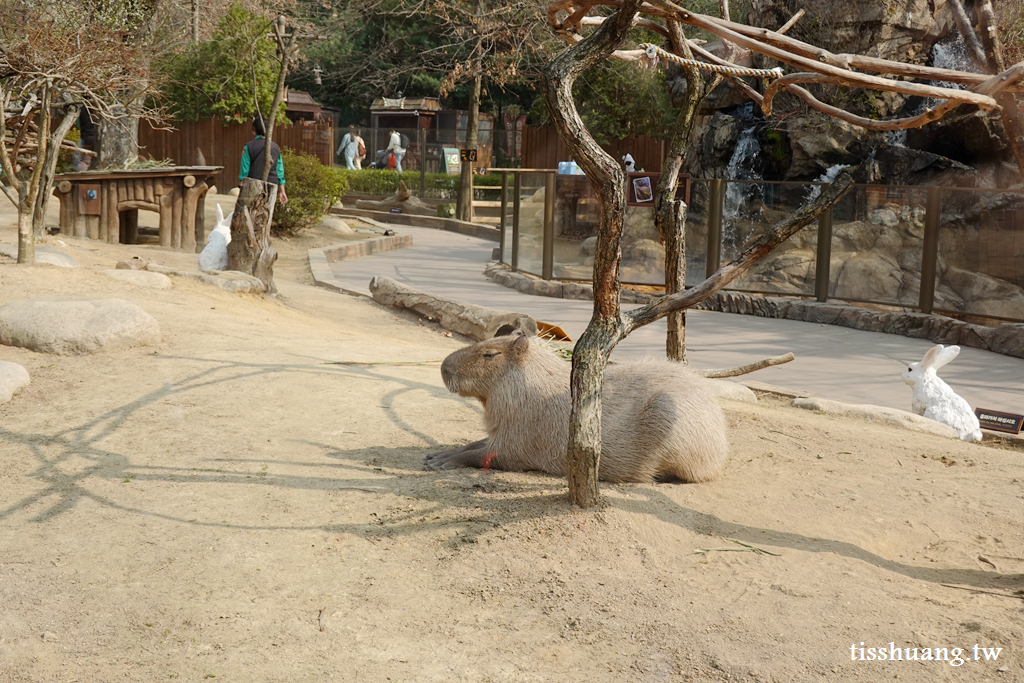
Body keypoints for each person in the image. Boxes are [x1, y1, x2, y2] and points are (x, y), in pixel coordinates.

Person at [239, 116, 287, 204]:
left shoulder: (248, 147)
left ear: (254, 129)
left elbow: (244, 170)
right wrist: (282, 191)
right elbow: (279, 171)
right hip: (272, 186)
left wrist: (241, 184)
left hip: (253, 185)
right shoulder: (276, 147)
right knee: (266, 213)